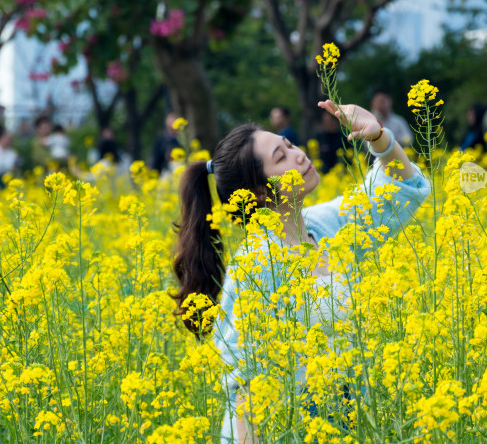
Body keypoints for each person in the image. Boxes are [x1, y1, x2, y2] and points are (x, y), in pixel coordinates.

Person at [172, 99, 431, 443]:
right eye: (281, 157)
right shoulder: (256, 269)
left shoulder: (323, 225)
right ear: (261, 193)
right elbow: (246, 390)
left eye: (289, 144)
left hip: (354, 423)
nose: (298, 154)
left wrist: (379, 138)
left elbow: (398, 191)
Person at [314, 108, 347, 174]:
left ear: (336, 121)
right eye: (325, 121)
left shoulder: (344, 137)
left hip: (342, 173)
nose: (328, 124)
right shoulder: (319, 137)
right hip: (324, 174)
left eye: (330, 121)